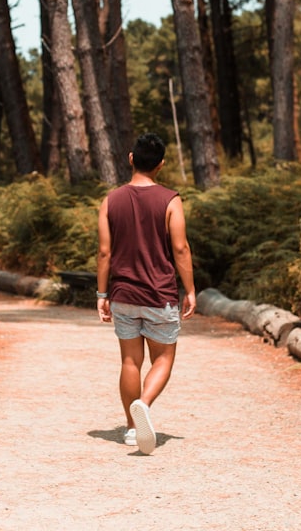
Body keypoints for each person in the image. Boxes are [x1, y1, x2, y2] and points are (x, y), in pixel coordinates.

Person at [96, 133, 196, 455]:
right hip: (159, 294)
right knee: (163, 358)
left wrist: (102, 294)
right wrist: (191, 290)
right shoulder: (170, 200)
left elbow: (103, 252)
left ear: (130, 159)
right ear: (161, 165)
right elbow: (180, 248)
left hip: (123, 293)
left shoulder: (110, 200)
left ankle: (129, 427)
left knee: (130, 361)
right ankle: (144, 403)